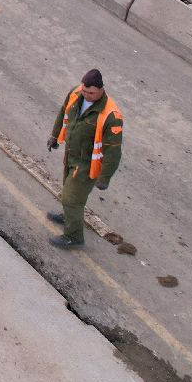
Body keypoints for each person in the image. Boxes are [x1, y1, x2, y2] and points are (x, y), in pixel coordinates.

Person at [46, 68, 123, 248]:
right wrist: (55, 136)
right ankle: (69, 217)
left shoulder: (111, 116)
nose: (87, 95)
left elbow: (113, 150)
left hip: (88, 164)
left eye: (91, 93)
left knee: (71, 199)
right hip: (71, 155)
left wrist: (105, 178)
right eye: (84, 91)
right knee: (68, 190)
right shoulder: (75, 94)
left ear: (101, 90)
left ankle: (74, 237)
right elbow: (63, 113)